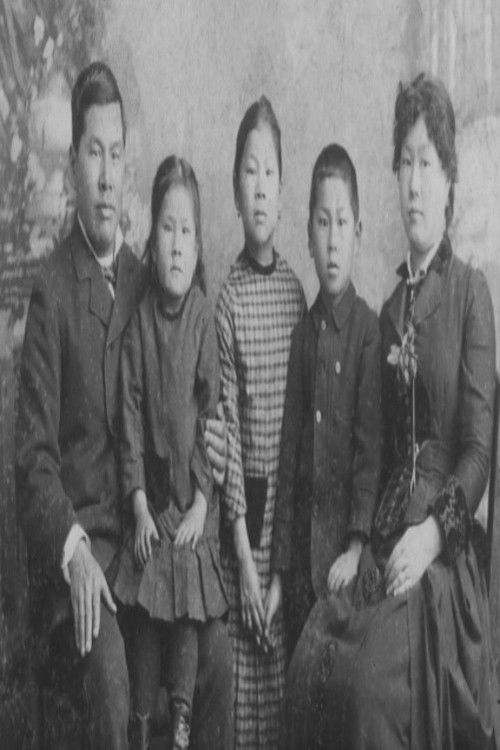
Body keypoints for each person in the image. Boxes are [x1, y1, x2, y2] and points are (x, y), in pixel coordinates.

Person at [16, 61, 231, 749]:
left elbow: (194, 392)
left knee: (217, 661)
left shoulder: (149, 278)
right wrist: (73, 552)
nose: (107, 176)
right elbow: (33, 462)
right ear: (72, 166)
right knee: (111, 676)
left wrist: (212, 445)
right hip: (87, 561)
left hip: (152, 551)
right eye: (93, 153)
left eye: (116, 154)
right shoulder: (52, 293)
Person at [283, 73, 498, 749]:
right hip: (384, 540)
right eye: (405, 164)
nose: (414, 184)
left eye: (427, 164)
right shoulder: (389, 310)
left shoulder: (470, 294)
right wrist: (358, 548)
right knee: (312, 661)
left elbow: (479, 450)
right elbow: (376, 452)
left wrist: (432, 535)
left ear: (449, 179)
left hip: (442, 559)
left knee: (367, 687)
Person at [113, 155, 228, 750]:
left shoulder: (204, 320)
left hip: (190, 513)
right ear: (151, 242)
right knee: (142, 612)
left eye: (187, 231)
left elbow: (213, 416)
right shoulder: (138, 326)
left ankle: (180, 723)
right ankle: (140, 724)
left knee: (185, 609)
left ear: (198, 243)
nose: (177, 244)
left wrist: (204, 504)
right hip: (152, 510)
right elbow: (129, 420)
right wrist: (137, 504)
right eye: (167, 229)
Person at [216, 96, 305, 748]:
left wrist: (277, 576)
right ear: (236, 189)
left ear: (283, 186)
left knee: (284, 704)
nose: (261, 186)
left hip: (286, 536)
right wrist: (247, 563)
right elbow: (228, 433)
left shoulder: (297, 295)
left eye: (270, 171)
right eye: (250, 171)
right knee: (239, 698)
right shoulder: (226, 301)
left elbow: (299, 443)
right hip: (240, 531)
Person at [271, 143, 382, 655]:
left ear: (358, 232)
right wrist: (279, 571)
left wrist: (356, 549)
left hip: (345, 568)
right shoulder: (303, 336)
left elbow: (369, 454)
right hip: (301, 569)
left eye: (341, 223)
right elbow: (288, 458)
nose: (332, 241)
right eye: (322, 223)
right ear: (307, 235)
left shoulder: (368, 332)